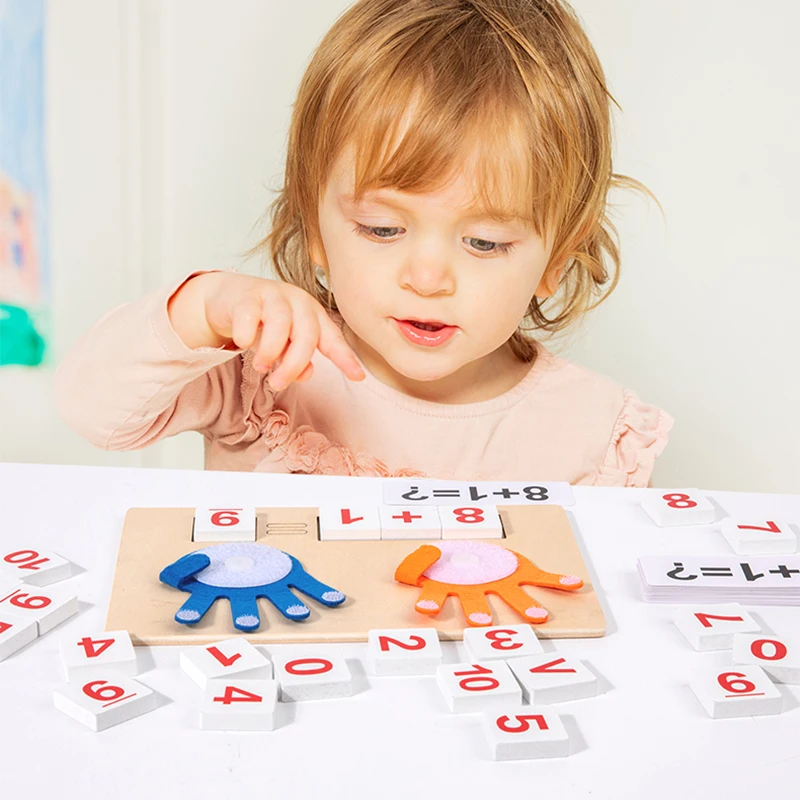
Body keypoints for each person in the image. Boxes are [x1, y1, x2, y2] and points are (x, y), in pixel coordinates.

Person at [55, 0, 673, 485]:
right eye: (382, 229)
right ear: (315, 230)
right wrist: (204, 307)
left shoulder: (595, 432)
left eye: (483, 243)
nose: (428, 277)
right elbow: (93, 410)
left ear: (555, 263)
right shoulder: (261, 371)